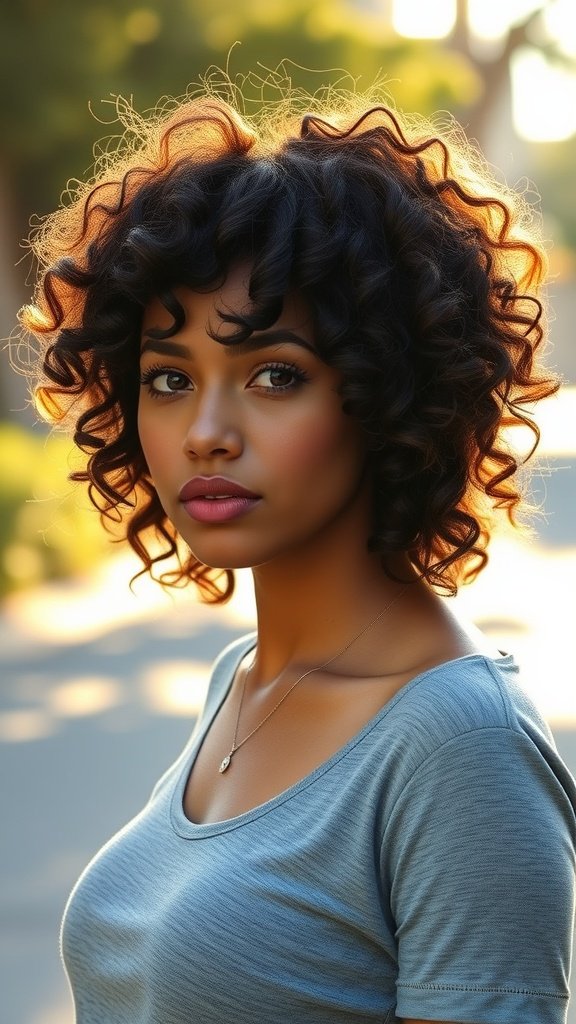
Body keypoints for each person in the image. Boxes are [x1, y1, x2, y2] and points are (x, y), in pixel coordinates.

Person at [19, 81, 576, 1024]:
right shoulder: (243, 681)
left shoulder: (461, 748)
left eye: (275, 375)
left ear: (387, 392)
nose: (205, 432)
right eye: (167, 377)